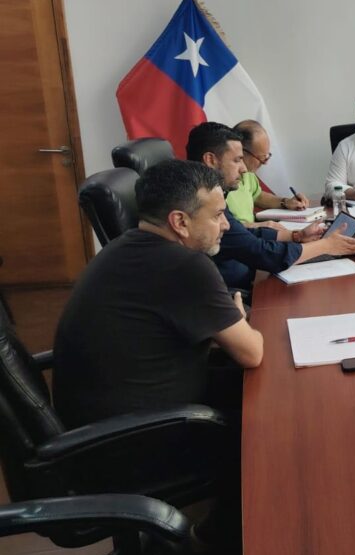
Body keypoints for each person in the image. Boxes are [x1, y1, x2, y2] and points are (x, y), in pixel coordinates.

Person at [53, 159, 263, 428]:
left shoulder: (121, 248)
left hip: (106, 416)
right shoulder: (185, 266)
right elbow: (252, 353)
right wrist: (240, 320)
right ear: (180, 221)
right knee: (276, 404)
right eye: (217, 215)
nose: (226, 225)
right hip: (143, 433)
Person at [188, 122, 355, 291]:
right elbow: (262, 253)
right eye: (237, 160)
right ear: (210, 160)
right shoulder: (201, 204)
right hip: (233, 292)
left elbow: (243, 235)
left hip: (246, 279)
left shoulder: (212, 193)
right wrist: (325, 246)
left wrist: (296, 236)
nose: (243, 169)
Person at [226, 119, 309, 229]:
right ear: (241, 151)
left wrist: (286, 202)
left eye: (267, 156)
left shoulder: (249, 174)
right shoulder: (223, 178)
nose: (265, 163)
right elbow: (224, 227)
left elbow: (258, 196)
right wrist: (259, 225)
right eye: (261, 158)